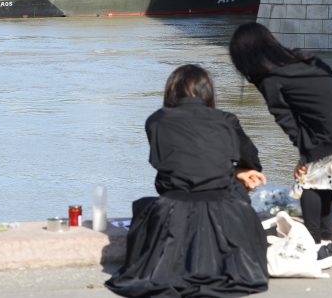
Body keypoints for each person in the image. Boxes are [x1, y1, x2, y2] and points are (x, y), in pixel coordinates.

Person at [228, 22, 332, 271]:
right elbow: (322, 90)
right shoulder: (301, 59)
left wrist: (304, 153)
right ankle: (326, 244)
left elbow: (286, 119)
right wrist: (308, 153)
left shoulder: (269, 78)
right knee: (325, 180)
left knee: (309, 184)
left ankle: (314, 245)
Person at [105, 64, 269, 297]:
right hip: (224, 211)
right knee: (237, 192)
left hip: (172, 212)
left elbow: (172, 166)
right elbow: (251, 161)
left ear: (171, 91)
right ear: (208, 92)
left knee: (145, 205)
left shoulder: (156, 121)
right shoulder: (226, 120)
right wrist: (239, 172)